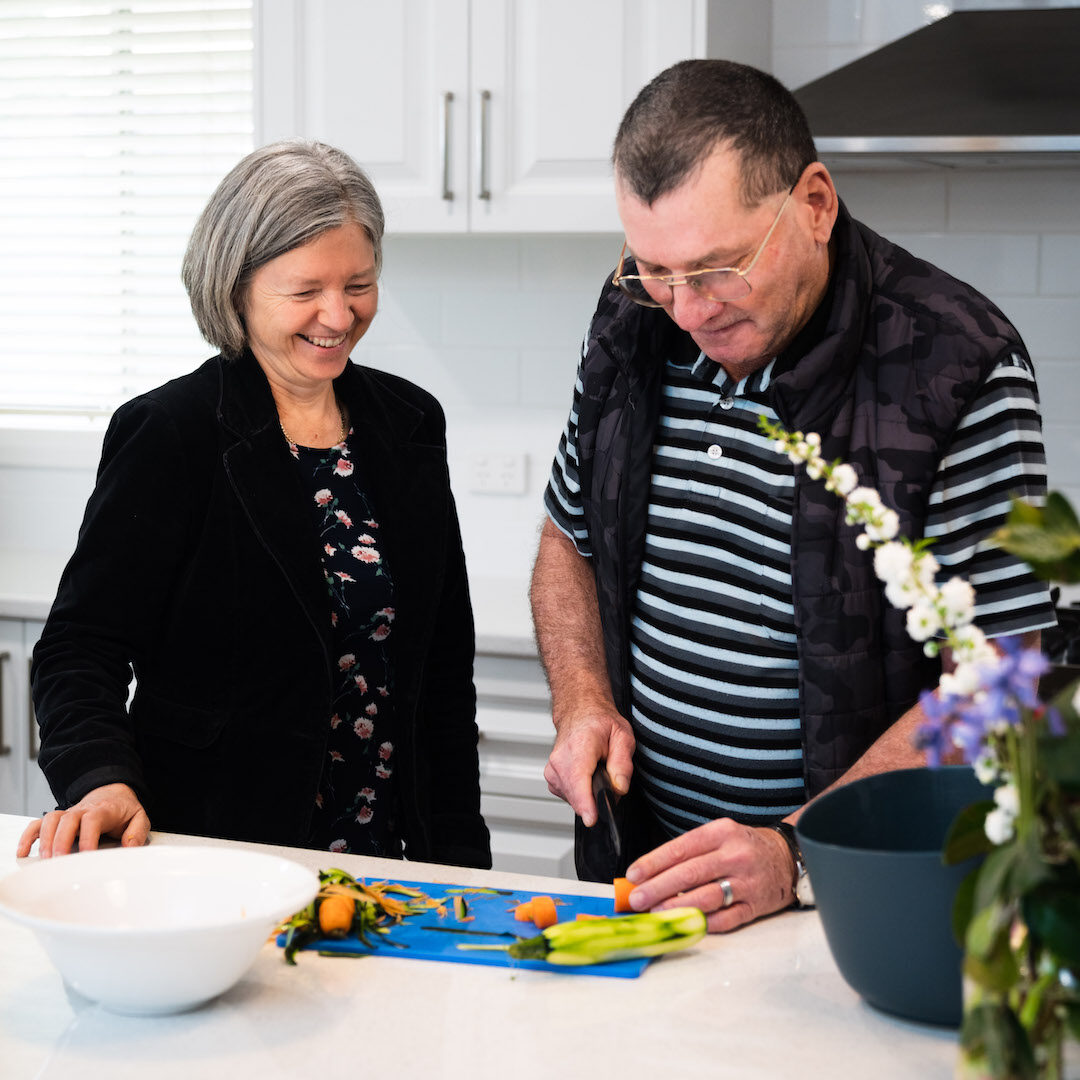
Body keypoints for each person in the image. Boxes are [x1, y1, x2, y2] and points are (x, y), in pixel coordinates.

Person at [532, 60, 1054, 931]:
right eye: (654, 269)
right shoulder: (637, 313)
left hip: (847, 893)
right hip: (645, 868)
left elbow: (1000, 679)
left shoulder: (957, 365)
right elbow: (567, 536)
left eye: (716, 268)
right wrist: (581, 697)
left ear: (814, 203)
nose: (687, 310)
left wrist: (794, 850)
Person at [18, 140, 491, 870]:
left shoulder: (410, 422)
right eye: (306, 291)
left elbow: (441, 670)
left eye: (358, 283)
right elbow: (81, 648)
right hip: (215, 853)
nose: (339, 314)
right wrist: (99, 776)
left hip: (389, 858)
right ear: (235, 287)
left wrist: (460, 855)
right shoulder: (171, 432)